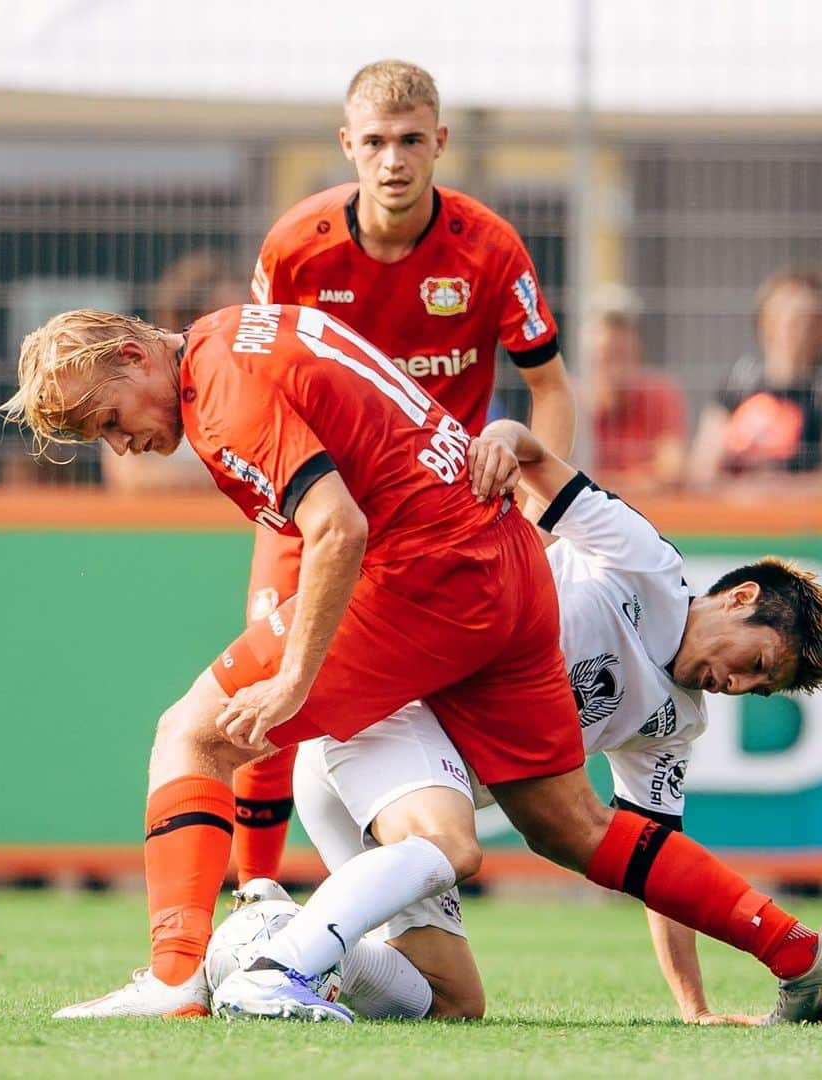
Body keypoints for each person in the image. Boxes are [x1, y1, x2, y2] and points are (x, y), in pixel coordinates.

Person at [0, 304, 822, 1026]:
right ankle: (801, 953)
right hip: (505, 580)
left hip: (429, 583)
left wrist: (296, 675)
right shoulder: (241, 334)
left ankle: (187, 975)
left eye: (109, 420)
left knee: (192, 734)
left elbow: (339, 527)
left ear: (130, 354)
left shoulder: (220, 390)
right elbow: (513, 461)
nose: (122, 446)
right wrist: (502, 441)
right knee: (552, 854)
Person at [227, 421, 822, 1026]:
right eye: (755, 663)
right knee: (456, 847)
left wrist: (692, 1006)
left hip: (414, 791)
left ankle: (269, 937)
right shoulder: (645, 563)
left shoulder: (674, 723)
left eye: (758, 689)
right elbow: (532, 457)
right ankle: (274, 965)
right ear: (741, 597)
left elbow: (653, 864)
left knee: (452, 1001)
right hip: (391, 720)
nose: (737, 686)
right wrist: (503, 438)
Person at [233, 59, 575, 886]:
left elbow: (550, 385)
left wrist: (540, 503)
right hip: (318, 503)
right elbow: (252, 373)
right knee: (262, 687)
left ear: (440, 143)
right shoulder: (296, 247)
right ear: (348, 146)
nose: (394, 160)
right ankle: (256, 895)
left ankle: (409, 882)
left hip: (440, 518)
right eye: (378, 142)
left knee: (437, 706)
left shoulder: (488, 248)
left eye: (412, 140)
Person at [687, 269, 822, 496]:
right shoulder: (739, 383)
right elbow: (702, 470)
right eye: (783, 314)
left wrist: (779, 492)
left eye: (804, 318)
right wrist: (741, 494)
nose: (791, 326)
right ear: (764, 320)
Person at [102, 252, 239, 494]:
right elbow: (130, 478)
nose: (243, 325)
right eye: (227, 314)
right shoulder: (145, 387)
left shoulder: (252, 382)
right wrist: (236, 478)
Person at [585, 284, 686, 493]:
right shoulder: (571, 401)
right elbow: (551, 480)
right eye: (608, 350)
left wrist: (597, 486)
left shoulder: (659, 394)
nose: (617, 340)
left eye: (624, 332)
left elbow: (672, 472)